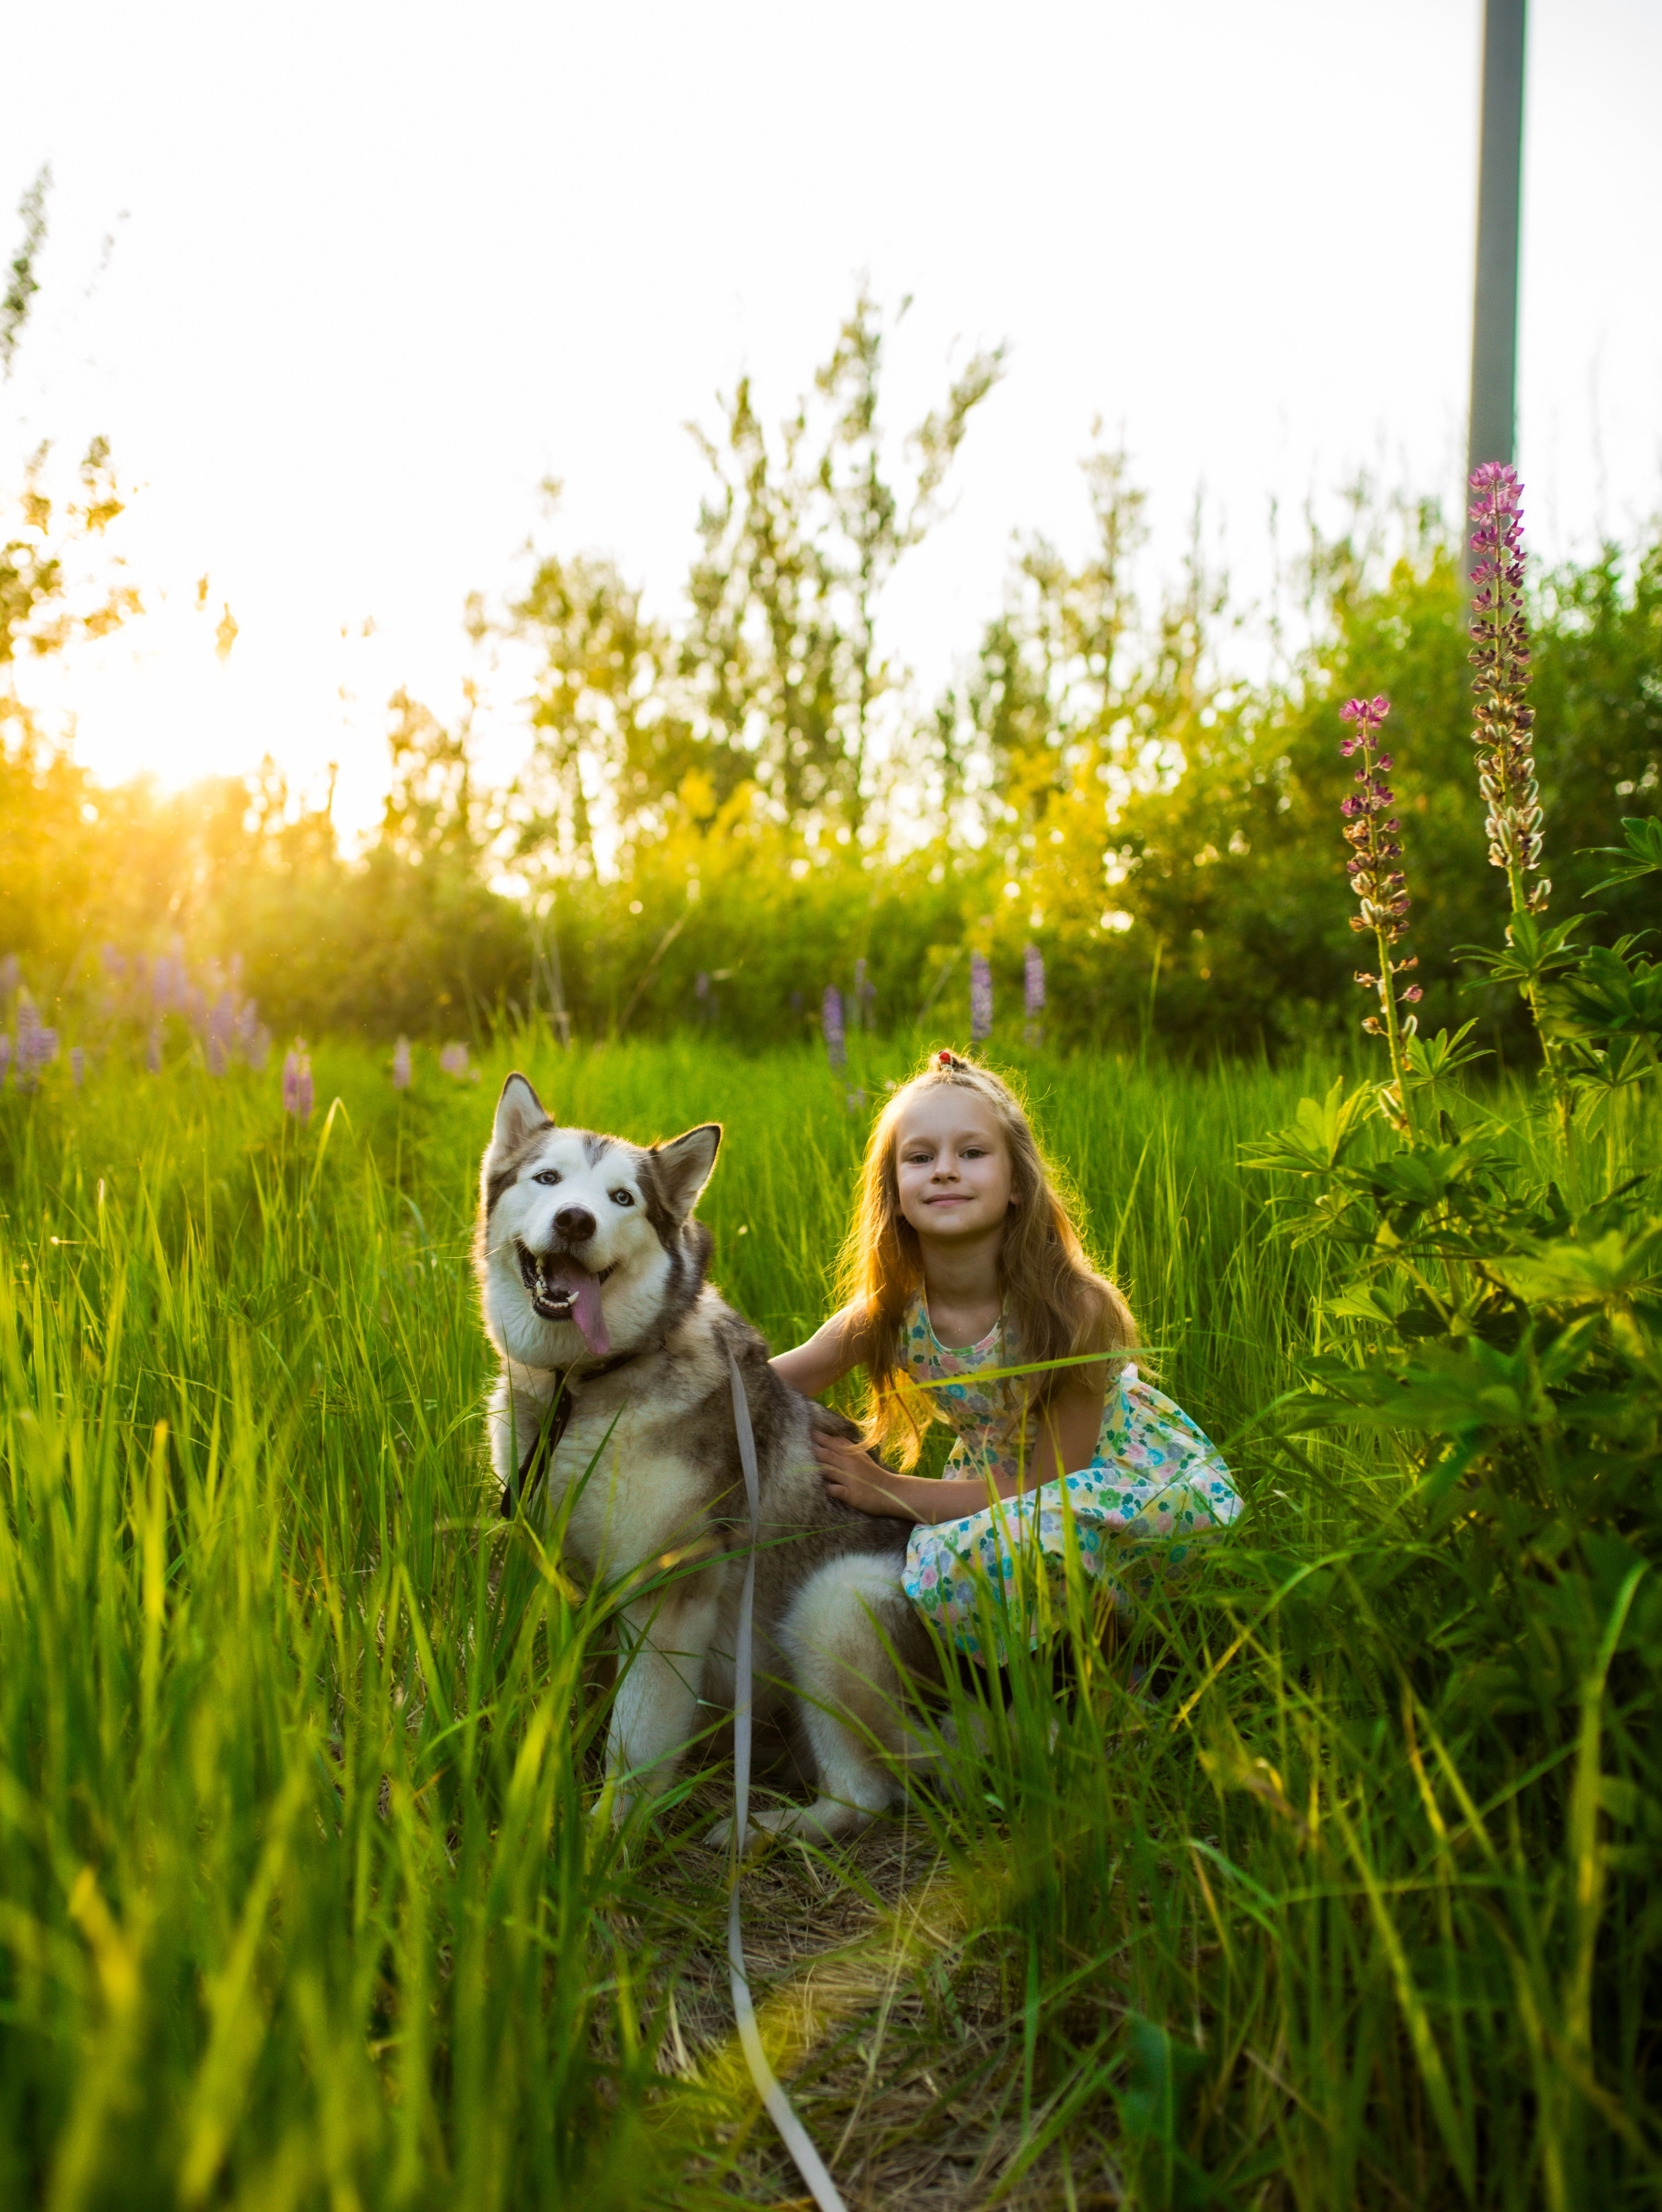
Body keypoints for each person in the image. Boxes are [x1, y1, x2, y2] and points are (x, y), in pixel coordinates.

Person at [770, 1049, 1241, 1664]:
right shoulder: (887, 1312)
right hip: (993, 1485)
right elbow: (768, 1382)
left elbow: (1051, 1483)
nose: (944, 1171)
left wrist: (886, 1488)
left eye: (971, 1153)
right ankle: (1032, 1682)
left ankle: (1115, 1683)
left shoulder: (1072, 1307)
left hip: (1107, 1479)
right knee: (945, 1566)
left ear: (1018, 1183)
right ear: (894, 1192)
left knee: (1040, 1536)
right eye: (919, 1157)